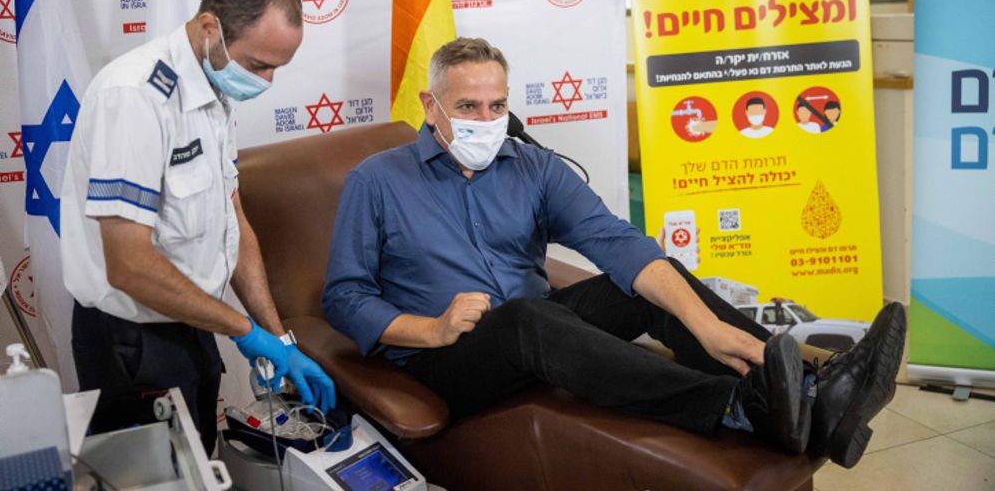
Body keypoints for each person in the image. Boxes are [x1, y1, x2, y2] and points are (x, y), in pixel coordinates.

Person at [323, 37, 905, 467]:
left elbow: (615, 241)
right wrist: (433, 329)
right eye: (468, 107)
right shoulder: (376, 181)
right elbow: (345, 296)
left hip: (541, 329)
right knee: (531, 317)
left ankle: (812, 387)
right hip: (450, 358)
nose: (486, 120)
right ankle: (740, 405)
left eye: (497, 106)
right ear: (431, 105)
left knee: (647, 281)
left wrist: (706, 326)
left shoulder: (534, 166)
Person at [62, 0, 336, 452]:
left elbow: (232, 218)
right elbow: (128, 265)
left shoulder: (213, 87)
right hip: (132, 343)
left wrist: (278, 341)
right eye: (259, 64)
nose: (268, 81)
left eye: (278, 67)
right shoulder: (134, 97)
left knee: (200, 464)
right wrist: (245, 331)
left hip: (193, 323)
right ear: (211, 27)